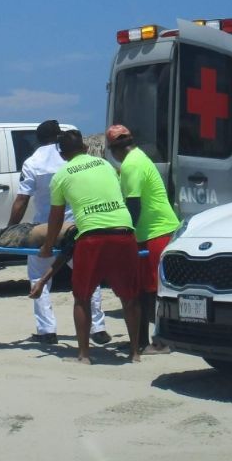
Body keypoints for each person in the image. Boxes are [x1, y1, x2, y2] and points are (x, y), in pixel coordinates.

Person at [39, 130, 141, 364]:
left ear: (62, 155)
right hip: (124, 232)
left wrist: (47, 246)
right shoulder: (105, 165)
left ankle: (84, 355)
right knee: (129, 297)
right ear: (85, 148)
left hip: (91, 237)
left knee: (82, 298)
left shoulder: (61, 175)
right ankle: (135, 353)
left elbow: (55, 219)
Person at [7, 120, 110, 346]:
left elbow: (22, 200)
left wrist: (10, 229)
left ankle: (47, 329)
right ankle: (98, 326)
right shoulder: (72, 159)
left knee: (38, 275)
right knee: (88, 276)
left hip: (45, 228)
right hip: (77, 227)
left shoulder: (32, 162)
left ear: (38, 139)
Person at [106, 124, 180, 354]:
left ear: (113, 150)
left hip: (156, 232)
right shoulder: (138, 158)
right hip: (151, 231)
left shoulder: (131, 165)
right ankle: (140, 341)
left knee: (153, 292)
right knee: (143, 290)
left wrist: (123, 237)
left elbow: (134, 207)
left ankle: (160, 342)